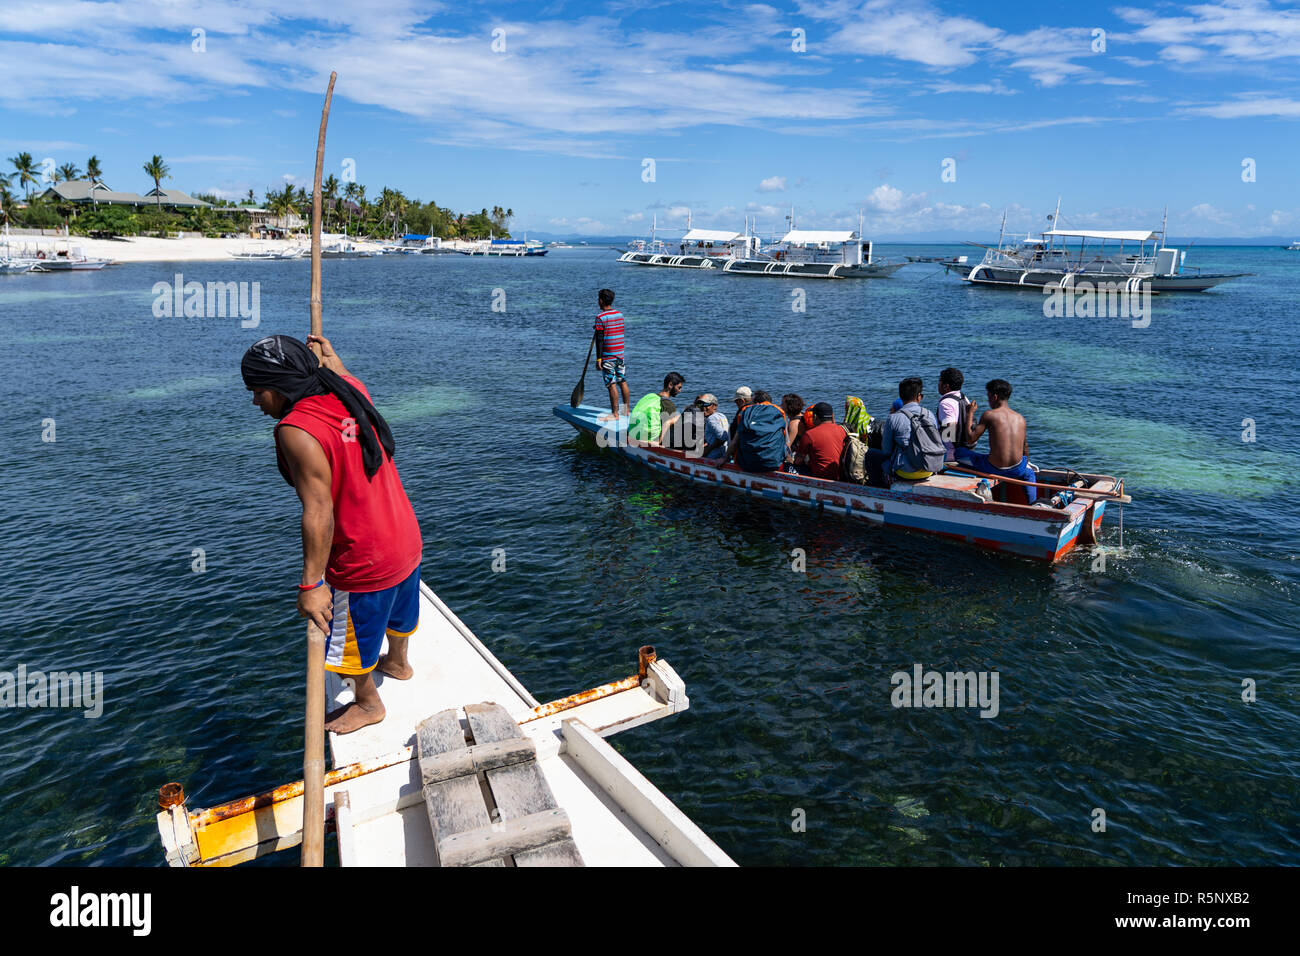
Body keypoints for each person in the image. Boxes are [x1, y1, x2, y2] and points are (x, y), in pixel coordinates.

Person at [242, 334, 422, 735]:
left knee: (348, 638)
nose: (256, 403)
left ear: (279, 387)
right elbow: (338, 372)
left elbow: (319, 512)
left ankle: (368, 702)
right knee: (398, 613)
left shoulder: (296, 429)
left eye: (257, 392)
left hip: (364, 556)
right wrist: (330, 357)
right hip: (405, 536)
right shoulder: (350, 389)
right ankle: (398, 664)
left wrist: (311, 584)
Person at [964, 379, 1037, 503]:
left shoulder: (989, 415)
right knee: (1029, 473)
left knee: (959, 453)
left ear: (995, 397)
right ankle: (1033, 503)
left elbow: (970, 439)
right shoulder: (1020, 418)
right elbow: (1025, 447)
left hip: (994, 468)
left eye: (988, 397)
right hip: (1017, 469)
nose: (988, 400)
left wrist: (969, 414)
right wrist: (1024, 465)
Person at [866, 377, 944, 487]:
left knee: (870, 454)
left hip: (904, 473)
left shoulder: (894, 418)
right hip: (929, 468)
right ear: (919, 397)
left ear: (901, 396)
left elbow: (886, 451)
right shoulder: (929, 415)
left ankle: (878, 490)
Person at [730, 389, 789, 472]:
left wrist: (723, 458)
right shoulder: (778, 412)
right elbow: (786, 443)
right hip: (774, 464)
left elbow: (735, 442)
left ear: (755, 403)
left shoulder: (746, 412)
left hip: (747, 464)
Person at [594, 289, 628, 422]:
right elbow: (613, 329)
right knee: (622, 381)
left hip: (608, 356)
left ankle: (615, 414)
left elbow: (600, 341)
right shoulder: (620, 315)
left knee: (611, 384)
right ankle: (625, 411)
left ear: (601, 301)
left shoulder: (600, 318)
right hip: (620, 355)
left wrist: (599, 359)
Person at [793, 402, 847, 480]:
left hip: (820, 477)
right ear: (832, 416)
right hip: (840, 476)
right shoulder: (842, 430)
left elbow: (798, 461)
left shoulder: (809, 434)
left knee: (788, 467)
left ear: (815, 417)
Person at [936, 367, 977, 465]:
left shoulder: (946, 403)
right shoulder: (963, 398)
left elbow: (949, 430)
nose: (938, 384)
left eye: (939, 381)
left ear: (946, 386)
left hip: (950, 455)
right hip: (965, 450)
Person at [629, 372, 684, 443]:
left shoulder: (650, 396)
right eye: (679, 387)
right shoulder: (668, 404)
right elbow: (670, 428)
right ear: (670, 385)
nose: (680, 391)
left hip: (633, 434)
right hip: (650, 440)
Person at [697, 394, 730, 460]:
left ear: (714, 406)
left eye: (706, 405)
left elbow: (723, 437)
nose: (703, 408)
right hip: (724, 454)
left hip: (714, 456)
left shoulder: (711, 419)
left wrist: (707, 450)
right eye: (700, 405)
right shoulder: (722, 416)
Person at [781, 393, 807, 458]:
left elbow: (787, 446)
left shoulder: (793, 423)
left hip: (798, 457)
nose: (780, 405)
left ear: (789, 407)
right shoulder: (803, 416)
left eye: (783, 404)